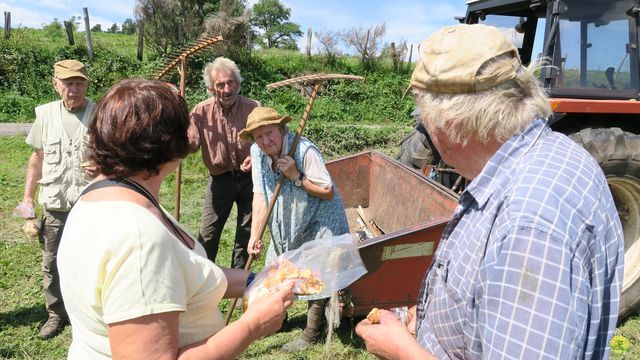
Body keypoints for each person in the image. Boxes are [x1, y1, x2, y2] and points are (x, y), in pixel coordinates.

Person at [356, 24, 624, 359]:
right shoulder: (548, 156)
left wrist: (401, 351)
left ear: (449, 123)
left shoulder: (530, 227)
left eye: (424, 118)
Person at [57, 79, 293, 359]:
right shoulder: (139, 237)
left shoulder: (102, 196)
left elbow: (184, 276)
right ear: (170, 142)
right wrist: (253, 324)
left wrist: (255, 280)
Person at [239, 107, 350, 352]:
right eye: (259, 137)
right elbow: (260, 195)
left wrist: (295, 175)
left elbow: (328, 191)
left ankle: (312, 332)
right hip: (287, 222)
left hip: (319, 221)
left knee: (316, 274)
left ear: (282, 129)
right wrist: (255, 234)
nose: (265, 141)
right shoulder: (257, 153)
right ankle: (279, 320)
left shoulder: (304, 150)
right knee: (277, 267)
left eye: (270, 133)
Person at [13, 59, 96, 339]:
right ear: (56, 84)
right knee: (52, 262)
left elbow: (113, 156)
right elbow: (36, 159)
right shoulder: (46, 115)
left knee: (91, 260)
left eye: (79, 82)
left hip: (89, 205)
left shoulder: (99, 114)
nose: (75, 89)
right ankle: (56, 313)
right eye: (68, 83)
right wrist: (27, 202)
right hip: (56, 204)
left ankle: (86, 313)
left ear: (87, 84)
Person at [188, 57, 260, 270]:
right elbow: (191, 145)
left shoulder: (253, 108)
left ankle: (240, 282)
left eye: (230, 82)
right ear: (212, 88)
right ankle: (203, 281)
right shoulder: (200, 112)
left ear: (237, 83)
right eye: (220, 85)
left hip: (251, 180)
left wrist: (256, 156)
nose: (226, 88)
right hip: (220, 181)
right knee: (208, 233)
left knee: (246, 233)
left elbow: (266, 141)